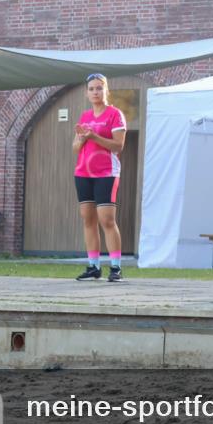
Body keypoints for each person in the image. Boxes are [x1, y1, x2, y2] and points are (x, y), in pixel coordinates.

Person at [73, 73, 126, 282]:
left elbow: (118, 146)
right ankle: (93, 266)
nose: (96, 92)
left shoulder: (115, 114)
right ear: (87, 93)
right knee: (88, 219)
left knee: (107, 220)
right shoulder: (84, 117)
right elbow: (75, 147)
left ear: (106, 90)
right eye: (92, 89)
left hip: (106, 173)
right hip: (83, 172)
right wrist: (83, 138)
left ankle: (116, 268)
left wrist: (94, 136)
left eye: (99, 88)